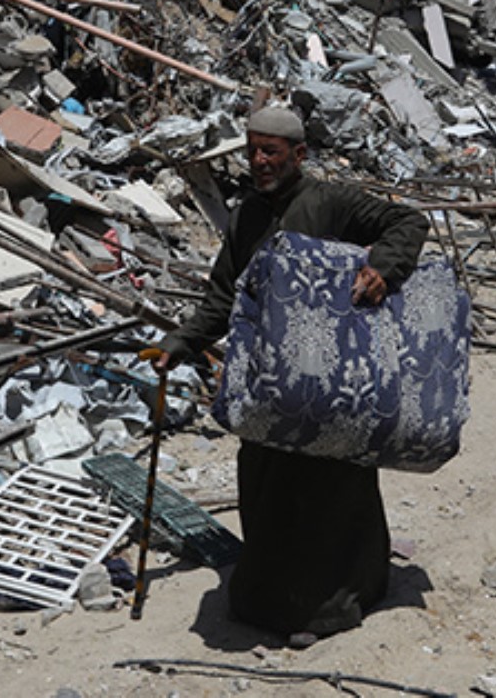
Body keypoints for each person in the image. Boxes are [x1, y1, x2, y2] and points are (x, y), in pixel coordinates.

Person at [154, 105, 427, 644]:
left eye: (270, 152)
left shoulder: (331, 200)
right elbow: (220, 297)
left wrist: (383, 271)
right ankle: (266, 602)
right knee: (264, 484)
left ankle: (333, 606)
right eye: (252, 150)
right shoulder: (245, 215)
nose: (258, 161)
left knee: (330, 490)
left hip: (329, 379)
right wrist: (180, 344)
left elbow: (408, 222)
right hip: (265, 379)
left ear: (297, 155)